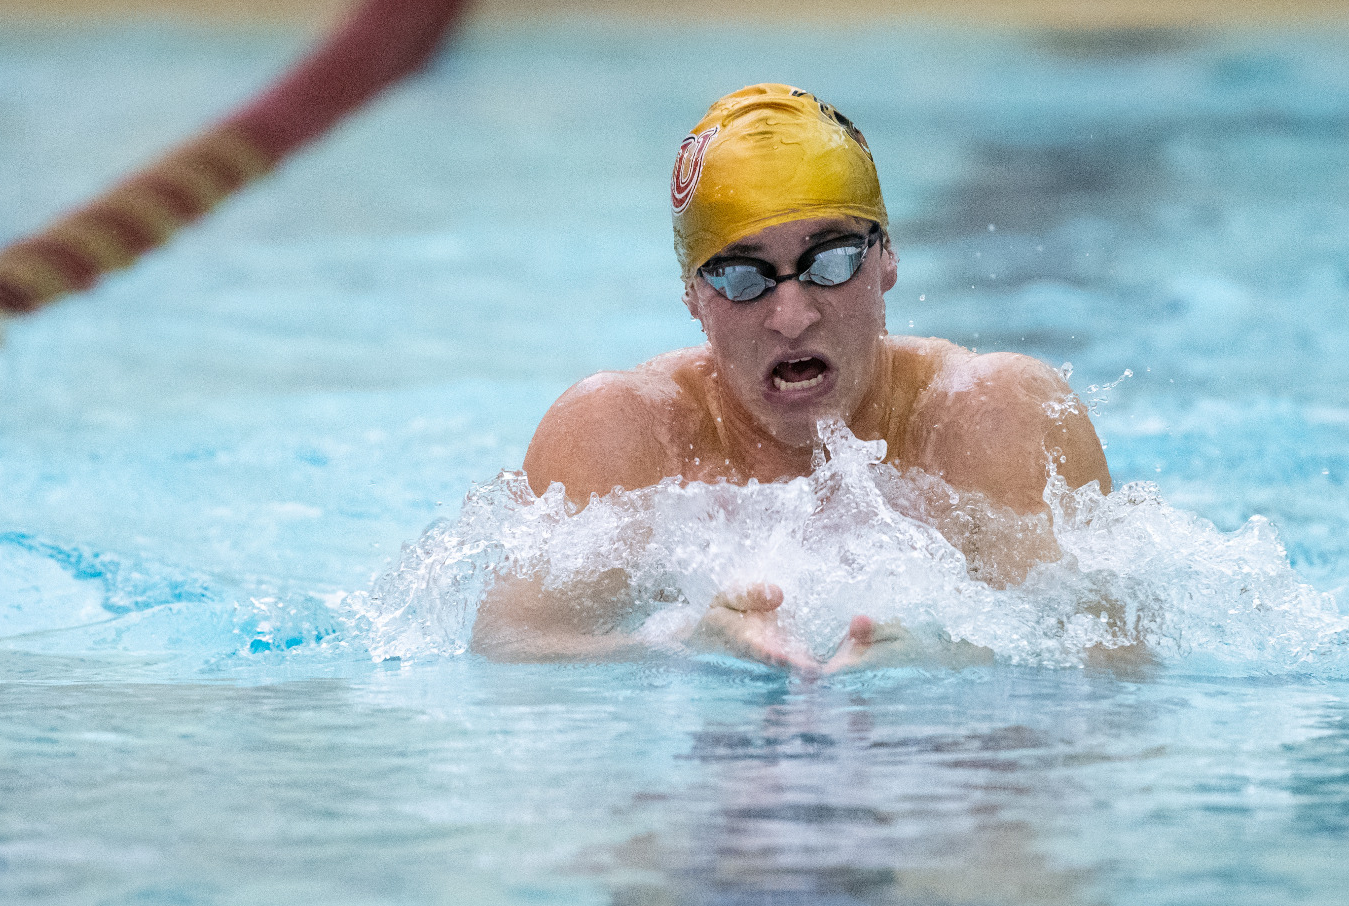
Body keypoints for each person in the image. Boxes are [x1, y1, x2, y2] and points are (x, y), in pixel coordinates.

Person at [470, 83, 1111, 673]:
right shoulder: (625, 437)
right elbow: (509, 649)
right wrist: (679, 648)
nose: (792, 316)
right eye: (742, 277)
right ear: (693, 296)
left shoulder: (995, 419)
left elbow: (1116, 662)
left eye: (829, 262)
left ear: (886, 257)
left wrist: (947, 664)